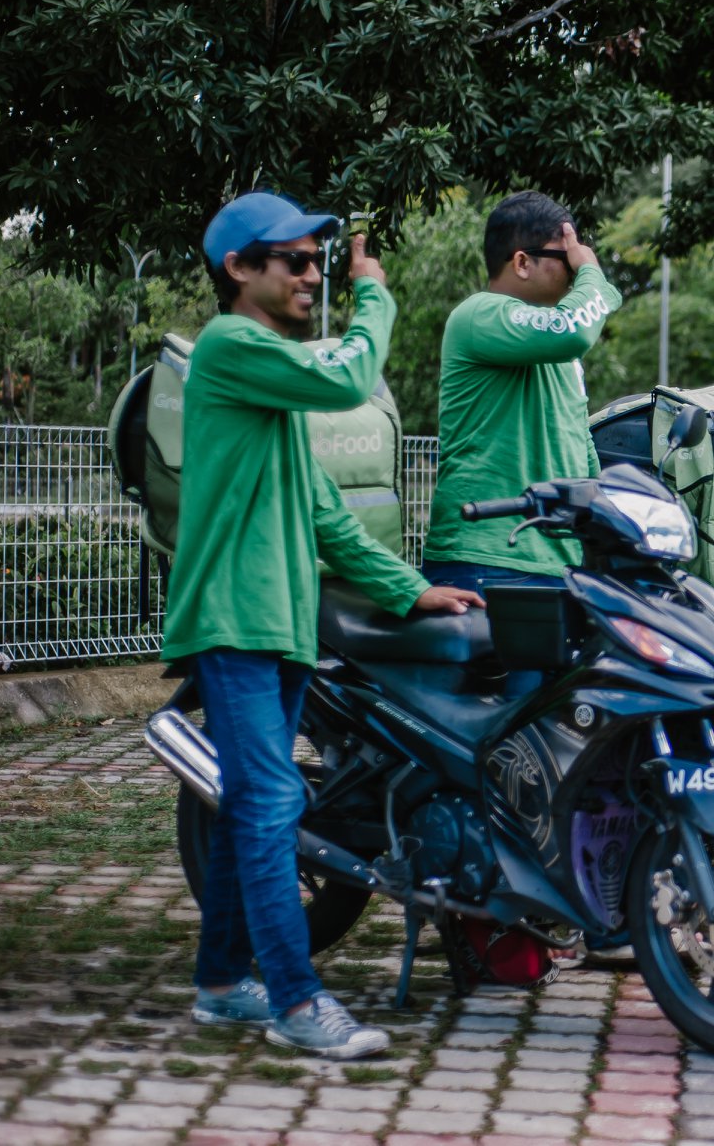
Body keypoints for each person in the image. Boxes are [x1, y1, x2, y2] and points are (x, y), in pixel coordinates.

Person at [166, 193, 482, 1058]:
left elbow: (324, 513)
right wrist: (373, 292)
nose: (314, 276)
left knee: (253, 806)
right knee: (271, 801)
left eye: (320, 261)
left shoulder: (270, 389)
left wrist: (410, 588)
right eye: (295, 261)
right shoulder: (230, 346)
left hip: (283, 622)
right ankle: (296, 1003)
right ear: (240, 269)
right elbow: (351, 376)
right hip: (233, 618)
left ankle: (224, 982)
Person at [421, 191, 623, 597]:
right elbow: (576, 329)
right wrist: (592, 273)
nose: (574, 267)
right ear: (521, 262)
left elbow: (577, 441)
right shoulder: (479, 314)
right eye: (565, 257)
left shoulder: (558, 348)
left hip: (557, 562)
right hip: (485, 558)